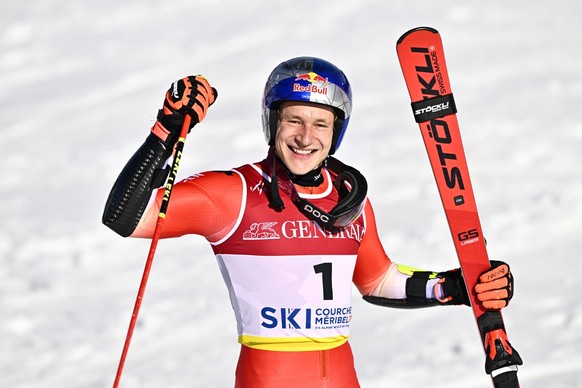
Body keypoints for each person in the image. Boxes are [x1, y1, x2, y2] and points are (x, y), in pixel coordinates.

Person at [102, 57, 515, 387]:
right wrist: (165, 131)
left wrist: (453, 286)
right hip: (268, 378)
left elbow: (376, 281)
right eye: (293, 120)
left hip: (343, 376)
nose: (305, 136)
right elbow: (126, 217)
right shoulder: (234, 193)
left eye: (321, 123)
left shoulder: (349, 199)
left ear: (337, 131)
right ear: (273, 123)